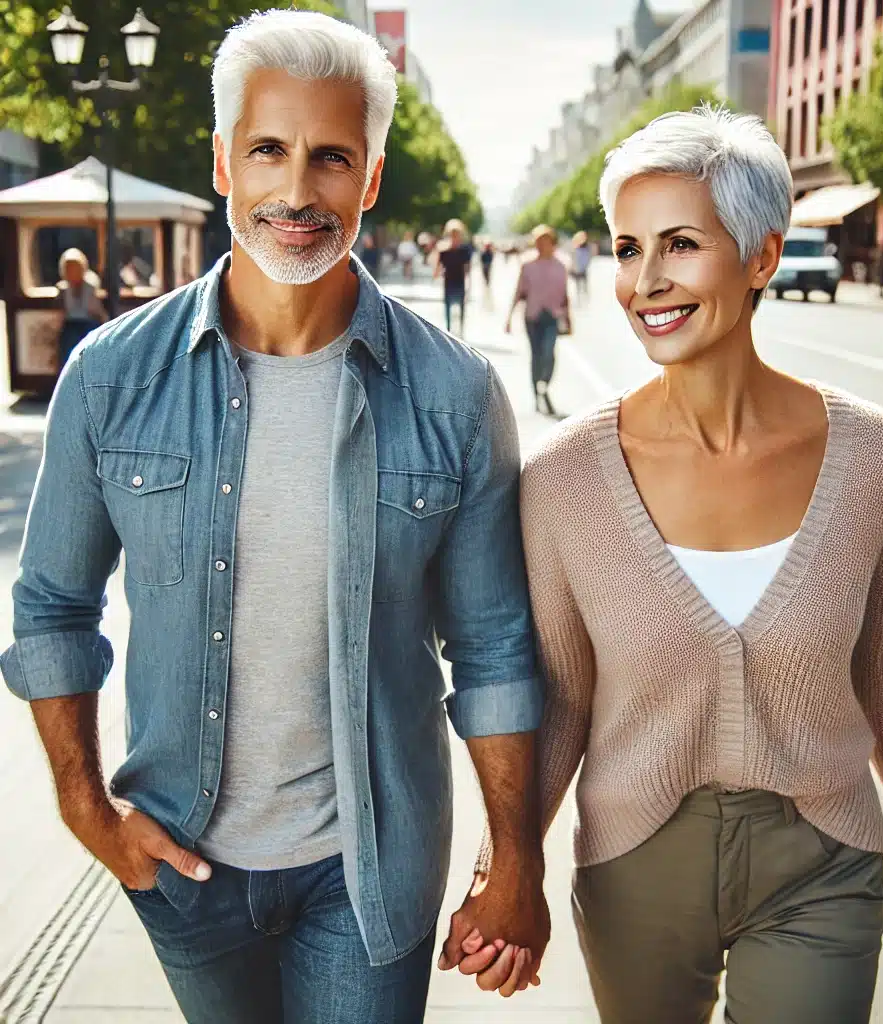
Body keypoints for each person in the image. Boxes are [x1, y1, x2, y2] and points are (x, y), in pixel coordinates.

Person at [2, 11, 550, 1023]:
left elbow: (493, 643)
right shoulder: (111, 377)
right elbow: (50, 607)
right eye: (268, 150)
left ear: (372, 179)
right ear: (223, 161)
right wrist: (86, 807)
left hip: (370, 864)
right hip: (180, 861)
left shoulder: (456, 394)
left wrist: (515, 855)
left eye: (332, 158)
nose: (297, 191)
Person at [462, 107, 883, 1022]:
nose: (645, 281)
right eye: (627, 247)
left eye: (681, 244)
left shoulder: (878, 459)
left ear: (762, 257)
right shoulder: (562, 479)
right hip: (635, 862)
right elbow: (563, 696)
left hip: (824, 859)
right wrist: (505, 871)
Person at [505, 224, 570, 418]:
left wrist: (568, 319)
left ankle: (544, 384)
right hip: (532, 317)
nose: (542, 245)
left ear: (553, 243)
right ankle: (536, 394)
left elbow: (565, 295)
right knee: (535, 355)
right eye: (539, 242)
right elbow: (519, 292)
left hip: (552, 316)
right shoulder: (527, 265)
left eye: (546, 241)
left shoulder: (561, 266)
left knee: (549, 353)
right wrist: (509, 318)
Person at [56, 248, 107, 372]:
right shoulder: (62, 289)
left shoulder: (90, 287)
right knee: (68, 343)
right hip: (70, 325)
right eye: (68, 268)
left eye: (75, 268)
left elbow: (98, 311)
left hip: (88, 323)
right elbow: (61, 312)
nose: (72, 271)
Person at [433, 219, 472, 334]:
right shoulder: (443, 251)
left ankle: (460, 333)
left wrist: (469, 286)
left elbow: (467, 270)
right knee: (448, 311)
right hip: (448, 283)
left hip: (460, 283)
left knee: (461, 311)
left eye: (457, 234)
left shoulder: (465, 250)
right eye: (453, 234)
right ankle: (449, 333)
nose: (455, 237)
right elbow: (436, 270)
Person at [570, 230, 592, 301]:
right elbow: (572, 259)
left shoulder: (587, 248)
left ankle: (585, 300)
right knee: (577, 287)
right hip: (576, 270)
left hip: (583, 269)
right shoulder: (574, 248)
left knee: (584, 287)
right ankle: (579, 300)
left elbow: (588, 258)